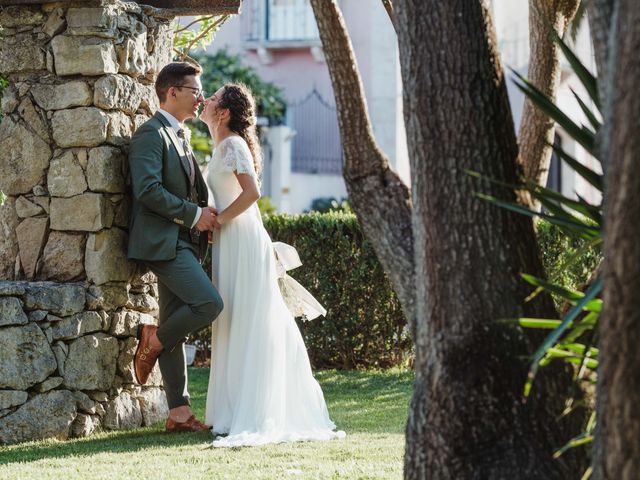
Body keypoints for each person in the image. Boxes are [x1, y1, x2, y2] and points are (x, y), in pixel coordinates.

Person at [199, 83, 345, 447]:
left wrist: (220, 220)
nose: (206, 99)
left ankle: (256, 409)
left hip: (245, 240)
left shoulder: (233, 145)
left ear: (225, 112)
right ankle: (230, 410)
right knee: (231, 317)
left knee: (250, 317)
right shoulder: (221, 145)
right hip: (230, 240)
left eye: (213, 98)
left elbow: (252, 194)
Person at [127, 62, 223, 433]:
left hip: (184, 241)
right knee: (209, 303)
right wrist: (193, 215)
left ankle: (178, 413)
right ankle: (153, 339)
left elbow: (190, 189)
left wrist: (207, 216)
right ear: (172, 92)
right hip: (161, 243)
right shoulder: (150, 135)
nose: (201, 97)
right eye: (195, 90)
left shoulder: (180, 134)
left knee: (175, 325)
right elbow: (148, 191)